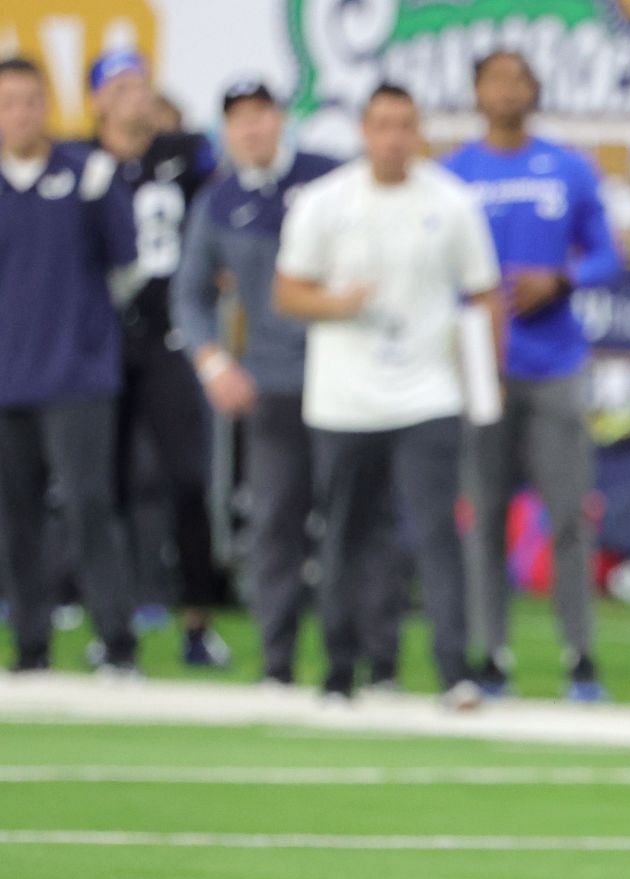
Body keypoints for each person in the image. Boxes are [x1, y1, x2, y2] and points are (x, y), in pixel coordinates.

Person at [274, 83, 503, 709]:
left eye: (405, 124)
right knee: (345, 532)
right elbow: (287, 290)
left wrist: (485, 386)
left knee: (434, 532)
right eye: (381, 125)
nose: (393, 137)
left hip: (428, 393)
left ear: (419, 130)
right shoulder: (326, 203)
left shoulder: (451, 203)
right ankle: (342, 667)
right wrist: (335, 304)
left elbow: (483, 294)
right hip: (344, 398)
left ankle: (455, 668)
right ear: (364, 131)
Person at [172, 79, 403, 688]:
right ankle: (277, 661)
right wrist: (214, 361)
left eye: (261, 115)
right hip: (275, 384)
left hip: (349, 378)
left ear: (281, 120)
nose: (252, 129)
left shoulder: (332, 181)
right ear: (226, 132)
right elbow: (190, 293)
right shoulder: (219, 203)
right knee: (276, 520)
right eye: (239, 119)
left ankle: (376, 660)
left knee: (361, 519)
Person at [445, 50, 621, 703]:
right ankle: (490, 653)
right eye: (494, 78)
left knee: (569, 514)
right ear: (476, 91)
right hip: (483, 369)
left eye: (518, 79)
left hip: (556, 364)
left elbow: (607, 253)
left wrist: (563, 278)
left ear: (535, 90)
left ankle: (580, 656)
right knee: (485, 514)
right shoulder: (454, 174)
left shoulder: (568, 168)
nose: (507, 90)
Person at [0, 56, 140, 675]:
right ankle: (30, 648)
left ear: (48, 106)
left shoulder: (88, 175)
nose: (20, 114)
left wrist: (84, 334)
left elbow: (128, 267)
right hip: (7, 380)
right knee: (15, 516)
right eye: (7, 103)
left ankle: (117, 643)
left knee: (89, 507)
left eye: (31, 100)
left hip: (77, 377)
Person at [88, 48, 228, 666]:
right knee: (102, 489)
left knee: (188, 481)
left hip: (172, 338)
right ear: (96, 99)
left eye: (139, 85)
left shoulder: (186, 154)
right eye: (117, 86)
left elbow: (222, 210)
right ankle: (109, 623)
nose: (131, 97)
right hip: (100, 344)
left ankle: (196, 622)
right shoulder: (81, 164)